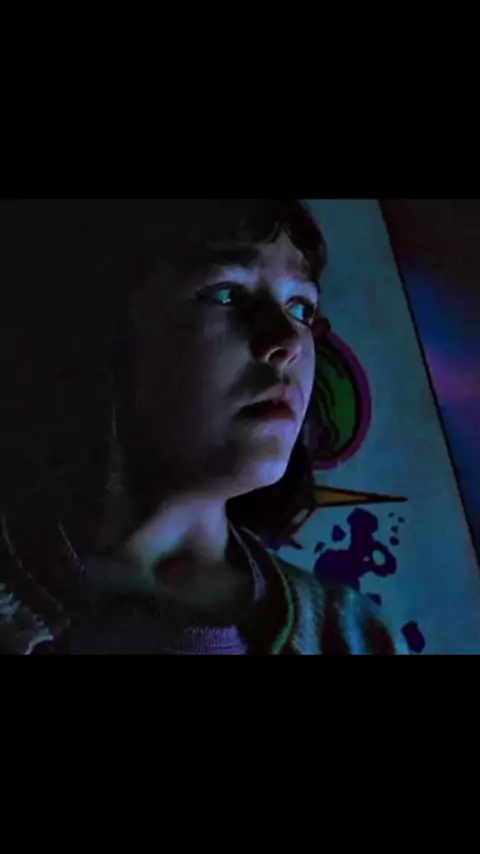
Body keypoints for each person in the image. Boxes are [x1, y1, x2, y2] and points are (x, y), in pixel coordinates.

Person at [0, 199, 408, 654]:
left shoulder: (352, 637)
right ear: (104, 325)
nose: (287, 341)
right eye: (228, 294)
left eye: (301, 309)